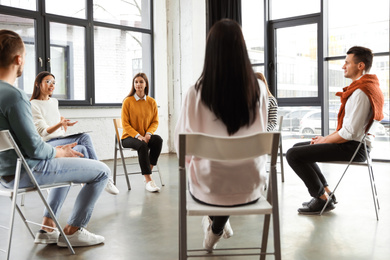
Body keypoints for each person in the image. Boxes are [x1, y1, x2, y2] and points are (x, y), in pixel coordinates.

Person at [0, 29, 108, 247]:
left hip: (3, 174)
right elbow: (36, 149)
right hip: (27, 171)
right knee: (102, 171)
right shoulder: (14, 96)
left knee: (69, 161)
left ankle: (48, 228)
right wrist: (60, 151)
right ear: (19, 59)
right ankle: (74, 230)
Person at [174, 19, 269, 252]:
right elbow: (263, 134)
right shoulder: (259, 91)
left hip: (208, 186)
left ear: (211, 51)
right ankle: (217, 227)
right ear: (242, 49)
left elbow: (182, 148)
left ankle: (214, 226)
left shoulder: (195, 93)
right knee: (230, 175)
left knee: (213, 174)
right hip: (251, 183)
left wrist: (194, 163)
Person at [286, 46, 384, 214]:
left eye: (347, 63)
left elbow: (350, 133)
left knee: (293, 155)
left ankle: (321, 199)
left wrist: (324, 140)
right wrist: (324, 138)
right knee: (298, 148)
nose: (343, 66)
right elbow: (348, 129)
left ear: (360, 65)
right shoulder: (367, 86)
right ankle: (327, 194)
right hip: (355, 145)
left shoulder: (361, 91)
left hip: (354, 148)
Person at [29, 71, 119, 195]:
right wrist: (60, 124)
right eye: (48, 82)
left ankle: (89, 182)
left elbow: (56, 124)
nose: (52, 85)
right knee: (85, 137)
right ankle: (104, 177)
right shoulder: (33, 104)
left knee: (82, 148)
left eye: (54, 83)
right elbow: (44, 133)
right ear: (37, 84)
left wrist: (63, 125)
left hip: (59, 138)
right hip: (48, 143)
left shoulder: (54, 101)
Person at [121, 72, 163, 192]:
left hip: (146, 136)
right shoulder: (127, 101)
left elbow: (155, 122)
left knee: (158, 140)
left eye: (141, 82)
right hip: (129, 137)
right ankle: (149, 180)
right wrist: (138, 136)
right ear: (133, 85)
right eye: (136, 82)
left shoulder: (152, 102)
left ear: (145, 84)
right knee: (142, 145)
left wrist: (148, 133)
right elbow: (125, 124)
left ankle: (148, 171)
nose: (138, 84)